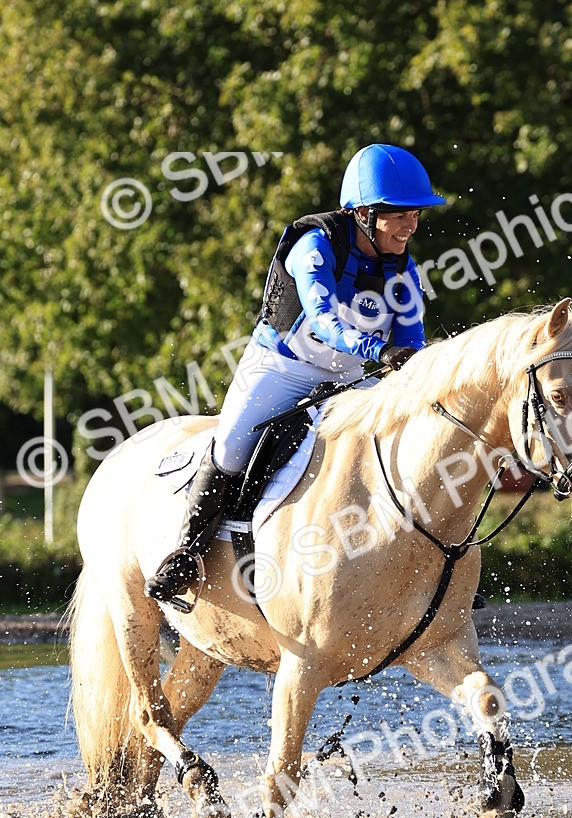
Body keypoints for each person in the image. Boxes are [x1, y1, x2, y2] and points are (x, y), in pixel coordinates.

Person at [145, 143, 446, 606]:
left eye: (415, 216)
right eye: (401, 215)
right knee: (229, 446)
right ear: (365, 213)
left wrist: (420, 371)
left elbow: (414, 338)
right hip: (279, 367)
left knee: (404, 440)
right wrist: (380, 350)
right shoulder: (315, 245)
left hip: (345, 377)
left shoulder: (402, 268)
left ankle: (428, 559)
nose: (412, 225)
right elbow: (324, 320)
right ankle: (187, 553)